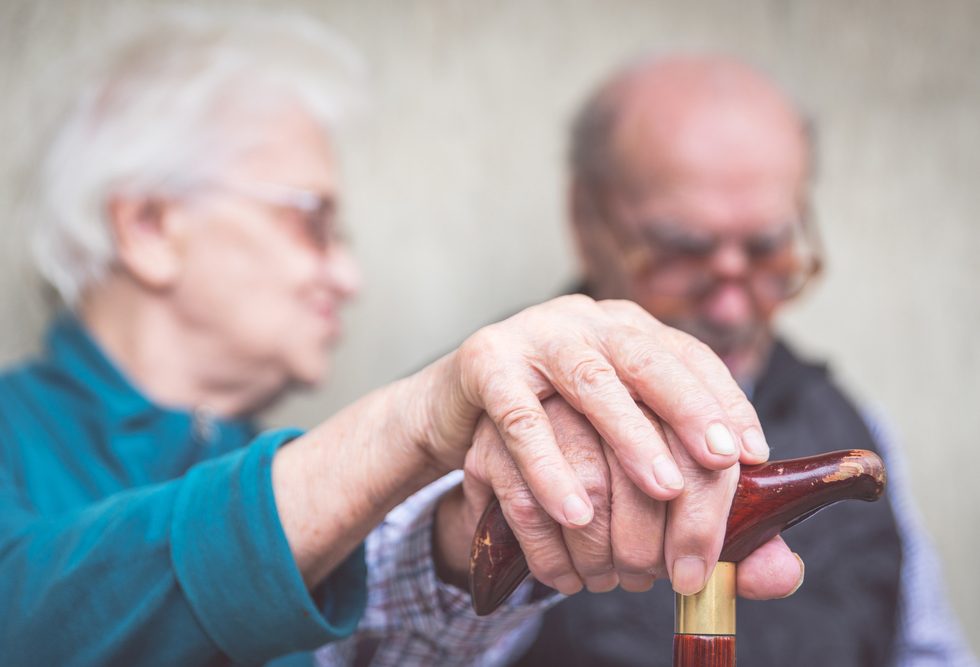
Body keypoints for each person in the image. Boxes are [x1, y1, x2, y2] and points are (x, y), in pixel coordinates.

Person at [0, 12, 805, 667]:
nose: (347, 275)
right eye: (311, 223)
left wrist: (492, 519)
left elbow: (373, 639)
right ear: (147, 226)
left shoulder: (281, 466)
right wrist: (411, 420)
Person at [511, 55, 977, 666]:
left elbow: (927, 653)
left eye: (766, 250)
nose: (732, 311)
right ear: (585, 218)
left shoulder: (855, 428)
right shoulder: (490, 425)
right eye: (682, 251)